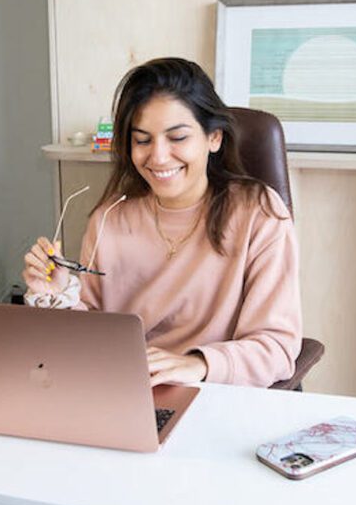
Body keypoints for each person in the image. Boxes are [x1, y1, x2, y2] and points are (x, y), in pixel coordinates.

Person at [21, 57, 301, 388]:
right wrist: (59, 297)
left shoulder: (258, 212)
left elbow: (277, 347)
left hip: (213, 392)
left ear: (214, 138)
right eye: (142, 140)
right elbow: (86, 342)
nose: (158, 156)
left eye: (177, 137)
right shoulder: (108, 220)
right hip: (124, 392)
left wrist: (198, 365)